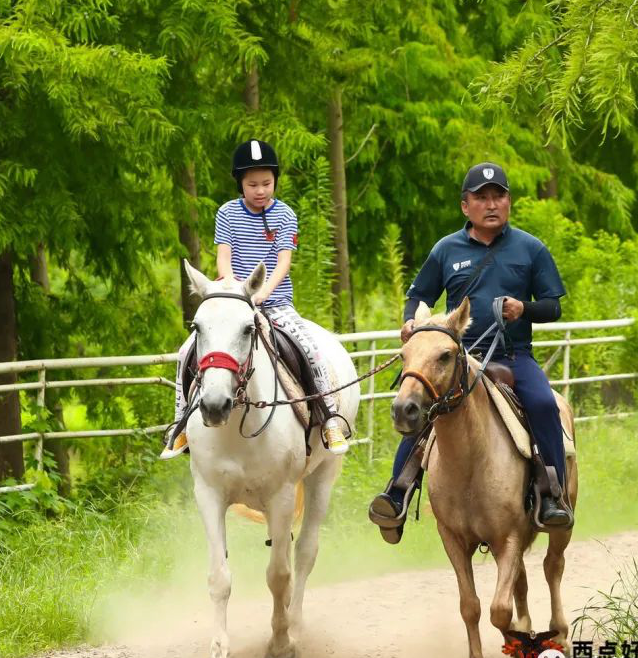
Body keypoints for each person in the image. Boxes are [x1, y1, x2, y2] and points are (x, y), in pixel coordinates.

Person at [367, 162, 572, 537]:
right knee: (417, 404)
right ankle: (398, 494)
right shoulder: (446, 250)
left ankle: (552, 494)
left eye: (499, 196)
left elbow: (553, 306)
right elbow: (418, 296)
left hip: (513, 356)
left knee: (544, 404)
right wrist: (412, 322)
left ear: (509, 201)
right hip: (455, 359)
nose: (491, 204)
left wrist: (523, 308)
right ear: (466, 206)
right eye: (482, 198)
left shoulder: (531, 249)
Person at [161, 139, 349, 458]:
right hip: (235, 303)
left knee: (311, 349)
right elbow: (224, 259)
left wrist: (262, 293)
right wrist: (236, 292)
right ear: (240, 184)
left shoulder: (286, 214)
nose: (260, 190)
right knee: (185, 352)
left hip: (276, 304)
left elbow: (283, 262)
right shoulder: (227, 214)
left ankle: (329, 417)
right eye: (252, 184)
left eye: (266, 183)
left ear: (275, 180)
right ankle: (180, 425)